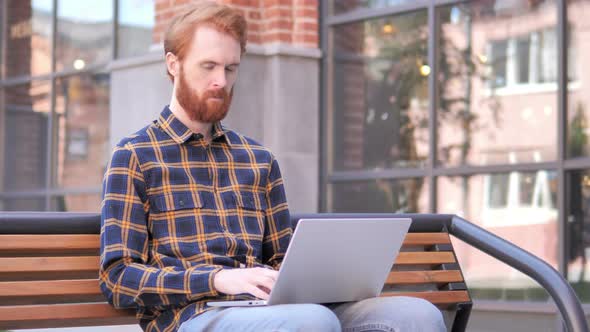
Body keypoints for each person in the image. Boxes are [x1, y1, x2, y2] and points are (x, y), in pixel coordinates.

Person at [99, 1, 446, 331]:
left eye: (230, 68)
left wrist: (317, 279)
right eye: (208, 66)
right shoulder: (135, 156)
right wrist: (217, 278)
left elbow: (281, 259)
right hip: (192, 316)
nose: (221, 80)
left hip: (270, 308)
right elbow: (118, 278)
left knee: (417, 314)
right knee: (312, 322)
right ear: (173, 65)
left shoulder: (258, 159)